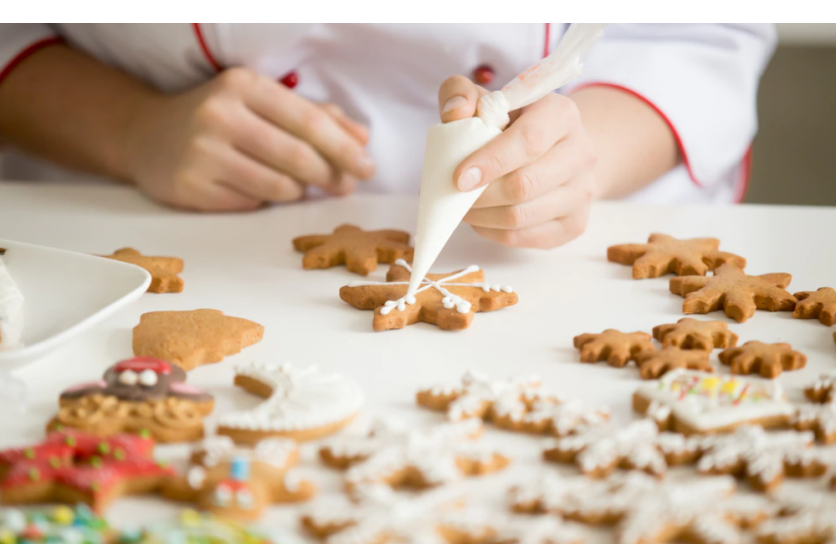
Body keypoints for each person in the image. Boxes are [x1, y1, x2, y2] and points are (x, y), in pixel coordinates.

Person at [0, 24, 776, 249]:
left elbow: (698, 27)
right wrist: (131, 127)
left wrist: (579, 159)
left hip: (568, 247)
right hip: (106, 220)